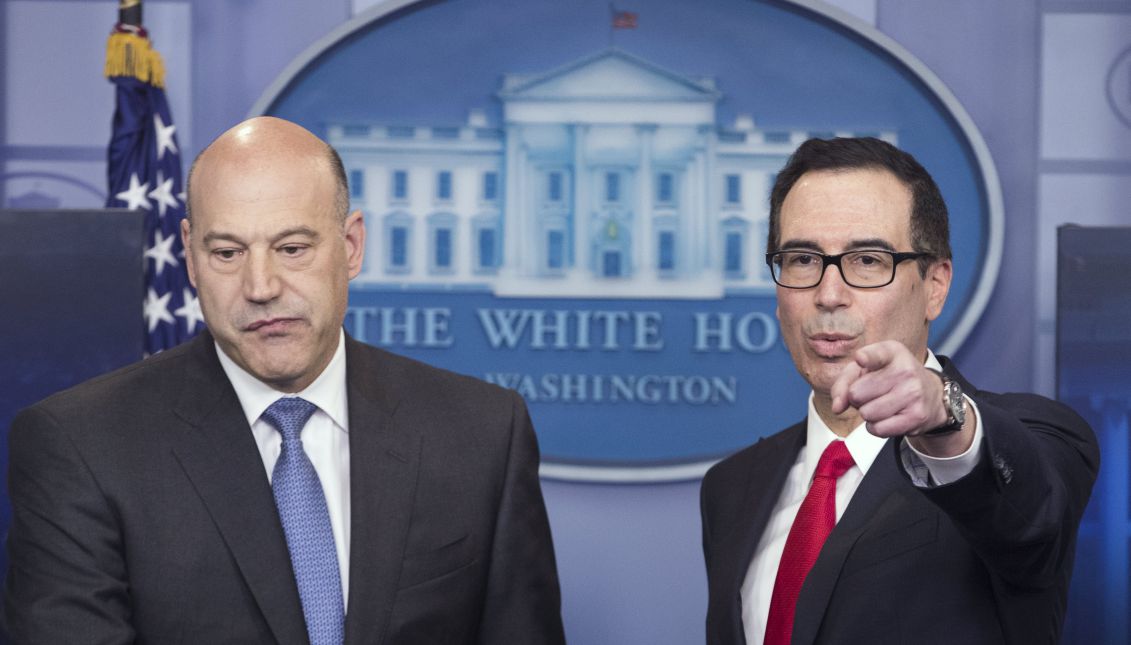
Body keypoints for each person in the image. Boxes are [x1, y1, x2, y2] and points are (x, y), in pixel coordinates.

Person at [4, 116, 566, 644]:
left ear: (350, 247)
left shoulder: (482, 432)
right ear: (192, 260)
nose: (261, 285)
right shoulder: (80, 446)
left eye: (292, 248)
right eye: (227, 252)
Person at [700, 137, 1099, 645]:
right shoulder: (731, 487)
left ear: (935, 285)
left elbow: (1033, 516)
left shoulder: (1038, 435)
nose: (828, 294)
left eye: (867, 261)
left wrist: (944, 414)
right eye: (802, 259)